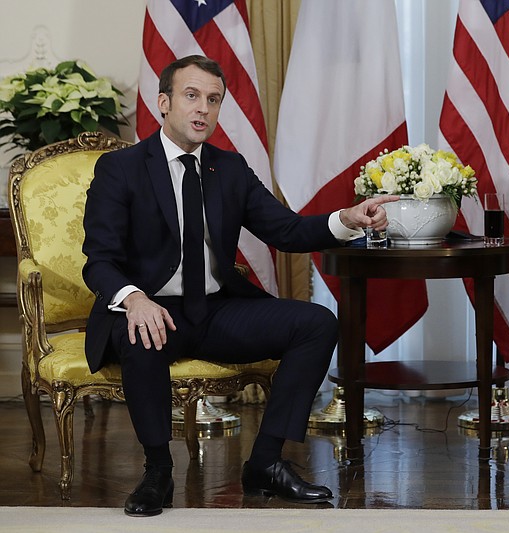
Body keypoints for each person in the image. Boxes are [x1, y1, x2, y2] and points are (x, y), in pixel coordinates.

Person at [82, 55, 396, 517]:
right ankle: (158, 471)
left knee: (315, 323)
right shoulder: (122, 168)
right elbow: (99, 261)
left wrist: (344, 220)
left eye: (213, 100)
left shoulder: (229, 168)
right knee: (141, 333)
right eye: (191, 96)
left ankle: (266, 463)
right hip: (151, 310)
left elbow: (285, 230)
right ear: (163, 102)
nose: (202, 109)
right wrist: (134, 299)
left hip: (212, 310)